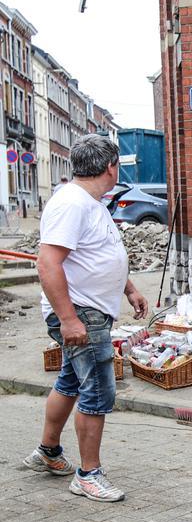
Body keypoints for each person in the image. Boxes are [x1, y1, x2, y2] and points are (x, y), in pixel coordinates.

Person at [22, 134, 148, 502]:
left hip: (89, 310)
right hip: (80, 313)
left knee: (71, 380)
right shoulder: (72, 204)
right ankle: (88, 475)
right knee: (97, 389)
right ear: (111, 167)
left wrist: (129, 289)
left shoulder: (92, 203)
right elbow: (48, 264)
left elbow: (97, 256)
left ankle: (47, 453)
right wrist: (68, 319)